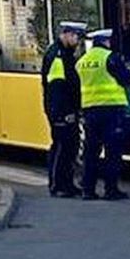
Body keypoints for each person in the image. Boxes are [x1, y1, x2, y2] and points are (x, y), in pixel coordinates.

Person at [76, 29, 130, 201]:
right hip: (111, 110)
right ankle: (111, 190)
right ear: (106, 42)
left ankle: (88, 190)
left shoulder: (82, 61)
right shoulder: (111, 58)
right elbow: (126, 80)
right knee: (112, 152)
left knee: (91, 151)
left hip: (89, 111)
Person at [40, 21, 85, 197]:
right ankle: (57, 185)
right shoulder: (57, 56)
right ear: (65, 34)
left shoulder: (66, 54)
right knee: (61, 147)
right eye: (75, 36)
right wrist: (63, 114)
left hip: (67, 111)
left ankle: (67, 184)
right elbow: (57, 89)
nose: (77, 41)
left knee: (71, 147)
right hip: (61, 112)